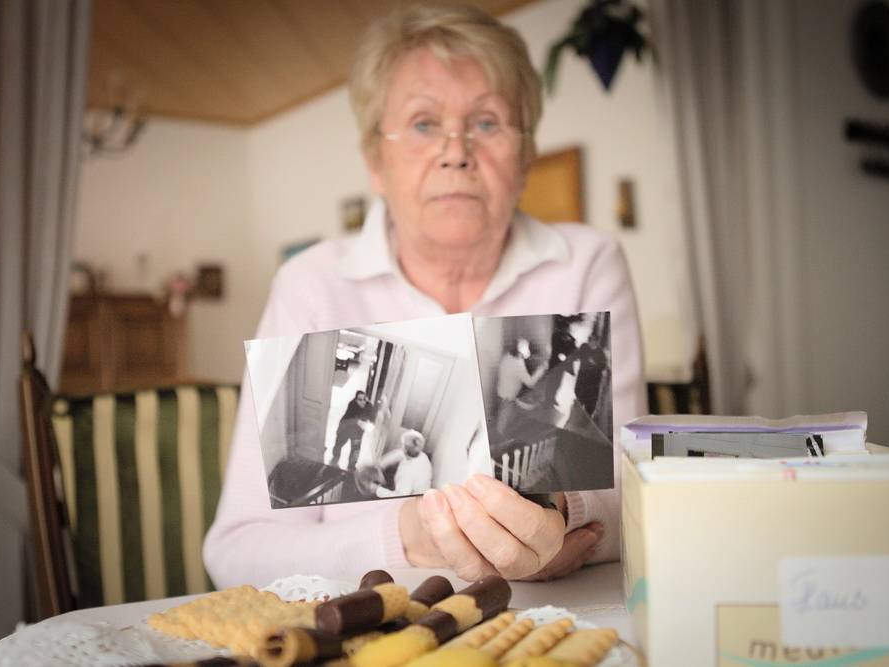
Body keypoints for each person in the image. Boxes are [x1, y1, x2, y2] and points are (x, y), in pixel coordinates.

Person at [204, 4, 645, 587]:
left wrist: (565, 517)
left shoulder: (587, 264)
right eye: (422, 123)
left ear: (526, 156)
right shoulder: (311, 287)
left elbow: (639, 492)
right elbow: (236, 549)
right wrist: (405, 537)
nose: (456, 150)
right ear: (374, 161)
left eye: (487, 122)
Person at [495, 338, 548, 435]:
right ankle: (500, 439)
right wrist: (540, 370)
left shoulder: (507, 356)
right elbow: (530, 383)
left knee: (506, 418)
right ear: (521, 353)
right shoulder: (518, 364)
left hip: (501, 392)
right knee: (502, 423)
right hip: (508, 397)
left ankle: (504, 435)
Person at [371, 429, 433, 498]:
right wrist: (381, 464)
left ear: (405, 449)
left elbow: (398, 497)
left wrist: (377, 490)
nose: (401, 446)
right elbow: (398, 454)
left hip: (411, 500)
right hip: (410, 489)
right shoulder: (419, 454)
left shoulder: (408, 474)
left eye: (402, 444)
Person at [330, 390, 376, 470]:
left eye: (364, 399)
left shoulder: (369, 407)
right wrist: (359, 422)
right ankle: (335, 457)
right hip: (346, 428)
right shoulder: (352, 404)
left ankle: (351, 466)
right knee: (339, 444)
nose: (363, 402)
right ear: (355, 400)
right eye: (360, 399)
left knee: (355, 449)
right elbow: (349, 419)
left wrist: (371, 425)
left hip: (357, 432)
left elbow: (373, 420)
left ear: (367, 399)